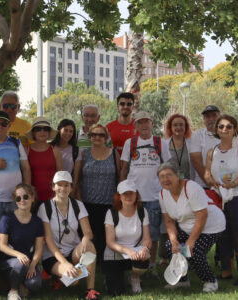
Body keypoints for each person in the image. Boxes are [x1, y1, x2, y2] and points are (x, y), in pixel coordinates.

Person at [157, 163, 226, 293]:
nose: (165, 179)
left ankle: (210, 281)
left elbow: (202, 216)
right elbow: (169, 221)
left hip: (211, 225)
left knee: (195, 252)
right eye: (162, 176)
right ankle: (182, 280)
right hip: (188, 227)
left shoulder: (191, 188)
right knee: (170, 247)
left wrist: (191, 241)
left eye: (169, 175)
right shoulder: (162, 194)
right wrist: (173, 241)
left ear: (178, 176)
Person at [204, 115, 238, 285]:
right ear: (217, 130)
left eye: (229, 126)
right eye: (221, 126)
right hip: (219, 199)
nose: (225, 129)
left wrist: (233, 184)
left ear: (235, 129)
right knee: (222, 235)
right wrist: (212, 182)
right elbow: (207, 174)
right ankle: (226, 271)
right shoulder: (212, 151)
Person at [120, 111, 171, 273]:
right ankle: (135, 264)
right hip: (133, 197)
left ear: (152, 124)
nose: (143, 125)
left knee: (153, 234)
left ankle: (151, 265)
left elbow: (168, 167)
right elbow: (124, 168)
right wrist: (121, 189)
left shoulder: (160, 142)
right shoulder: (130, 142)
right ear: (135, 125)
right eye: (140, 122)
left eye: (146, 122)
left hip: (155, 196)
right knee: (133, 233)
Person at [38, 171, 100, 300]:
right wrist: (65, 264)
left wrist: (85, 239)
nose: (63, 188)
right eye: (59, 185)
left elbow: (88, 232)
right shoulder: (45, 207)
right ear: (53, 187)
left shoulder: (78, 205)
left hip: (73, 251)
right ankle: (58, 277)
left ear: (71, 187)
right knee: (72, 280)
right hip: (52, 255)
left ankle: (90, 291)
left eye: (66, 185)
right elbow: (48, 241)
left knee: (90, 247)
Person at [73, 124, 120, 262]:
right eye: (94, 135)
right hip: (87, 202)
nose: (97, 137)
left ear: (106, 138)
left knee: (105, 233)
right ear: (89, 137)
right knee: (89, 233)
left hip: (108, 202)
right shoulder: (83, 154)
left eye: (101, 135)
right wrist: (78, 198)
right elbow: (77, 178)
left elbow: (118, 177)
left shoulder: (114, 154)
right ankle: (90, 260)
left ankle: (103, 262)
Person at [103, 180, 151, 296]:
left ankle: (134, 277)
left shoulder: (142, 211)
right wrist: (127, 251)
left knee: (145, 259)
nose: (128, 196)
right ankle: (111, 279)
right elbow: (110, 242)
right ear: (119, 196)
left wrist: (145, 248)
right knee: (116, 292)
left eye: (131, 193)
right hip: (116, 252)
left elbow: (147, 238)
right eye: (125, 193)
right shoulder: (111, 213)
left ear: (136, 195)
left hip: (135, 252)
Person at [0, 183, 44, 300]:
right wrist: (18, 254)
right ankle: (13, 291)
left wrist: (33, 265)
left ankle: (22, 284)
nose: (22, 200)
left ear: (32, 198)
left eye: (26, 197)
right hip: (9, 263)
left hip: (28, 262)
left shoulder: (37, 221)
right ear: (15, 201)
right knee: (19, 264)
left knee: (35, 284)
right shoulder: (7, 219)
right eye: (18, 198)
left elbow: (39, 248)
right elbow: (2, 246)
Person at [25, 116, 62, 203]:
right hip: (32, 198)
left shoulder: (55, 150)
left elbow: (60, 175)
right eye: (38, 129)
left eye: (46, 129)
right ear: (33, 133)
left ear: (49, 132)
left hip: (53, 197)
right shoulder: (26, 150)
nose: (42, 132)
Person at [190, 105, 221, 188]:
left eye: (214, 115)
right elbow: (196, 162)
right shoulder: (197, 135)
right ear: (204, 120)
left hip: (225, 185)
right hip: (203, 186)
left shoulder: (229, 134)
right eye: (207, 117)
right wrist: (210, 184)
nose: (211, 119)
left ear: (220, 117)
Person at [164, 113, 195, 180]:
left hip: (188, 185)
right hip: (170, 185)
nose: (178, 127)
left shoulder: (192, 143)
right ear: (170, 127)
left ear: (185, 127)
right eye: (175, 125)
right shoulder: (164, 144)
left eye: (181, 125)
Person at [106, 92, 137, 157]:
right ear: (118, 106)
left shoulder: (139, 127)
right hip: (114, 165)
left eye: (129, 104)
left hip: (134, 165)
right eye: (122, 104)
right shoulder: (108, 128)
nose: (125, 107)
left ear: (133, 106)